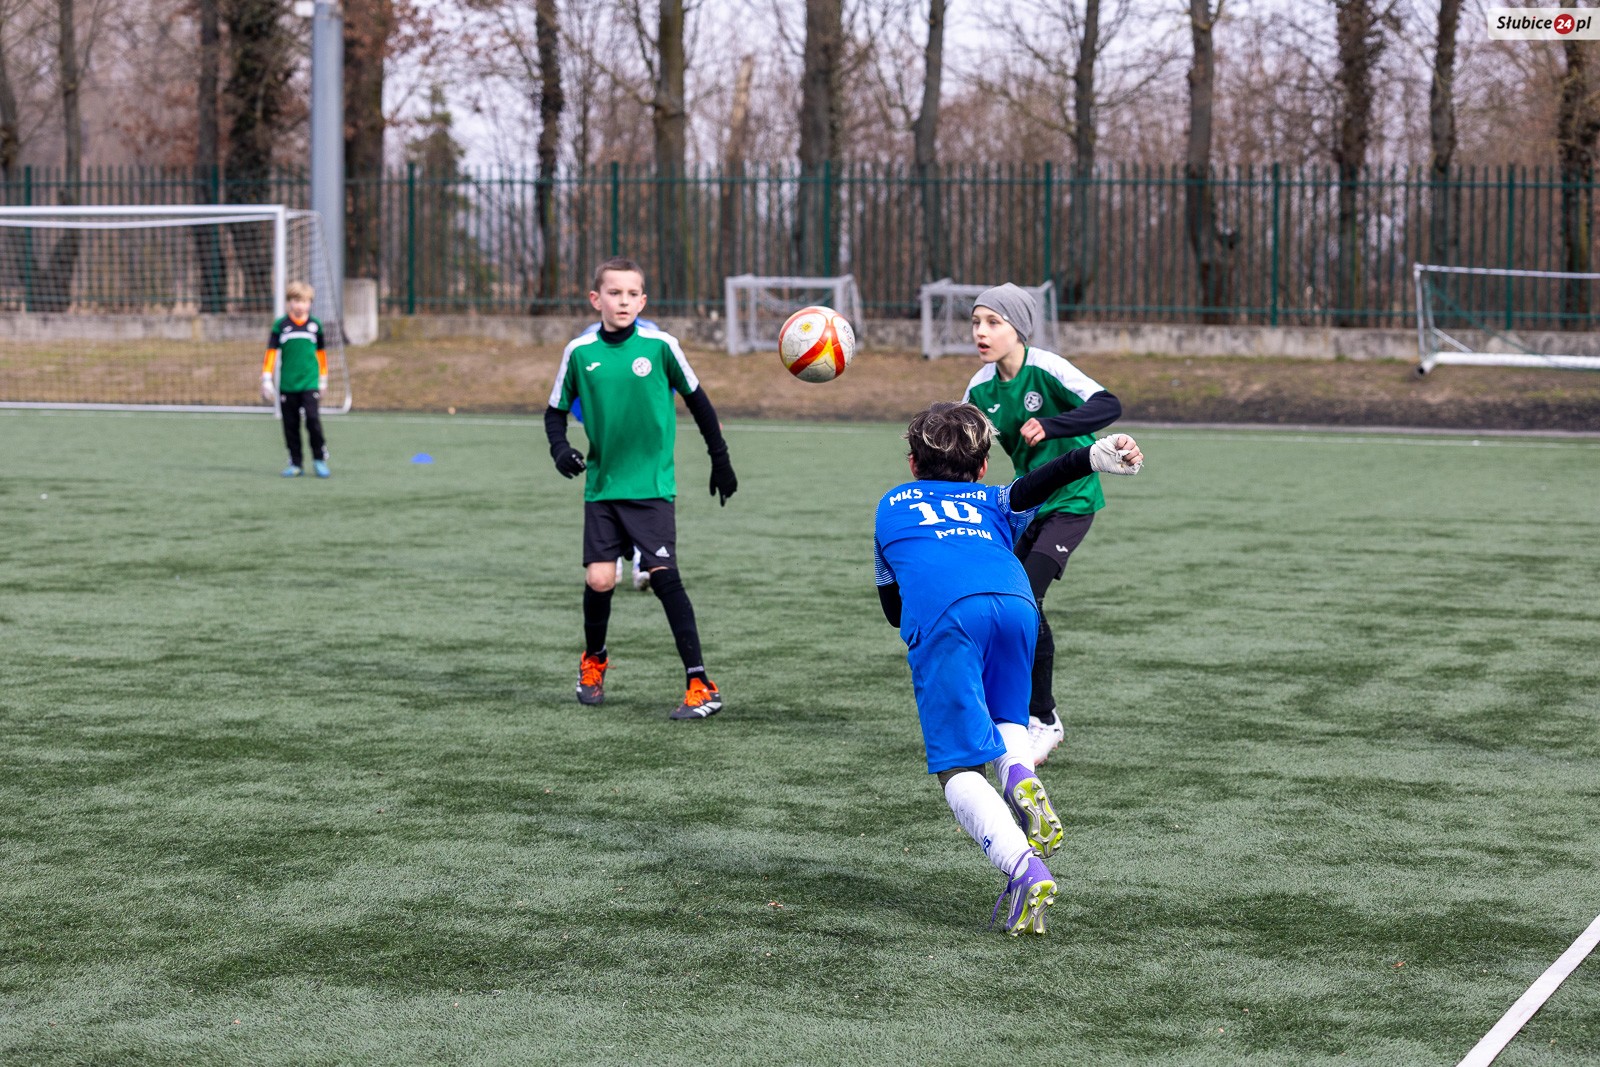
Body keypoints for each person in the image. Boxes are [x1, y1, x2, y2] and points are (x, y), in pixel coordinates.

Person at [873, 401, 1143, 935]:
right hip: (1017, 603)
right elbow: (1043, 480)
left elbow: (893, 610)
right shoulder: (994, 499)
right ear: (982, 467)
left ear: (912, 464)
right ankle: (1020, 772)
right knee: (1006, 717)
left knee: (957, 769)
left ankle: (1024, 867)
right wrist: (1094, 455)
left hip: (949, 614)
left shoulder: (891, 504)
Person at [544, 257, 738, 720]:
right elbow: (554, 412)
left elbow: (699, 402)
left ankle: (701, 684)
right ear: (596, 299)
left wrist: (721, 459)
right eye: (614, 293)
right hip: (602, 487)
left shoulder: (661, 346)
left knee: (664, 575)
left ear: (643, 300)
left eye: (632, 294)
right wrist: (560, 450)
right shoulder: (579, 352)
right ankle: (594, 662)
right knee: (599, 579)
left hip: (651, 486)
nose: (623, 301)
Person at [961, 284, 1123, 765]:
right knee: (1001, 600)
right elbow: (964, 447)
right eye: (976, 322)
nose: (981, 332)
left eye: (993, 322)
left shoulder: (1047, 368)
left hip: (1072, 500)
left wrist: (1053, 425)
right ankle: (1008, 712)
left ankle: (1045, 718)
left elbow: (1108, 405)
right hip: (1026, 504)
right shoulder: (979, 389)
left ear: (1018, 328)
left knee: (1026, 599)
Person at [261, 280, 331, 478]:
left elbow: (321, 354)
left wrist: (323, 379)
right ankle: (295, 462)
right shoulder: (281, 325)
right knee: (290, 425)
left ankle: (319, 457)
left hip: (309, 382)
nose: (300, 305)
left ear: (310, 303)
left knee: (312, 419)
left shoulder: (315, 326)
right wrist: (266, 378)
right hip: (288, 384)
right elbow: (271, 353)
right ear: (289, 302)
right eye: (295, 301)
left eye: (304, 301)